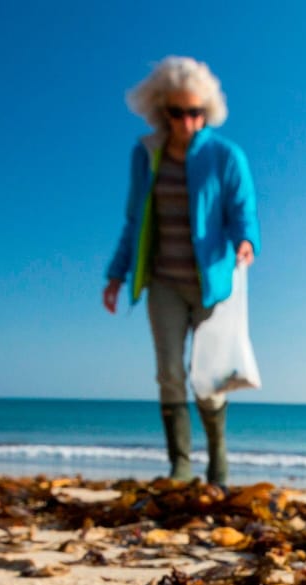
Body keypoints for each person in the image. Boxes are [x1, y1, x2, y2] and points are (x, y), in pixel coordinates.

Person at [103, 57, 259, 486]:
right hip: (163, 281)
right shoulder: (146, 155)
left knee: (208, 377)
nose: (188, 122)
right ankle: (180, 465)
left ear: (207, 111)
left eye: (197, 113)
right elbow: (135, 220)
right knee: (169, 373)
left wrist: (246, 241)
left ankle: (218, 462)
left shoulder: (226, 155)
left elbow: (242, 210)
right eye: (178, 112)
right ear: (161, 111)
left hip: (212, 282)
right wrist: (116, 275)